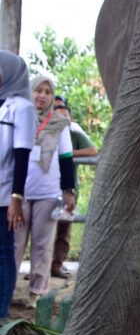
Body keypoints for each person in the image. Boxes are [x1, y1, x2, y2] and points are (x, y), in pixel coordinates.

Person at [14, 76, 75, 303]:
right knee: (14, 245)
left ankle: (36, 294)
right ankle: (7, 290)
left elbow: (66, 158)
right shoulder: (19, 118)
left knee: (42, 245)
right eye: (38, 90)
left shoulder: (60, 124)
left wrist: (68, 191)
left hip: (48, 193)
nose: (42, 96)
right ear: (29, 92)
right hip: (18, 194)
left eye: (47, 92)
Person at [0, 53, 37, 320]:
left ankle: (1, 313)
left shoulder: (21, 108)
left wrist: (16, 198)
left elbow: (22, 155)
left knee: (4, 252)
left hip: (4, 195)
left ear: (10, 72)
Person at [50, 96, 96, 279]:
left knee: (63, 229)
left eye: (62, 107)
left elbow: (92, 151)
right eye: (55, 107)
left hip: (68, 189)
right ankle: (40, 268)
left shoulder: (73, 133)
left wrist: (66, 152)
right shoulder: (42, 129)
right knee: (44, 230)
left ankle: (56, 265)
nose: (59, 110)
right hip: (44, 189)